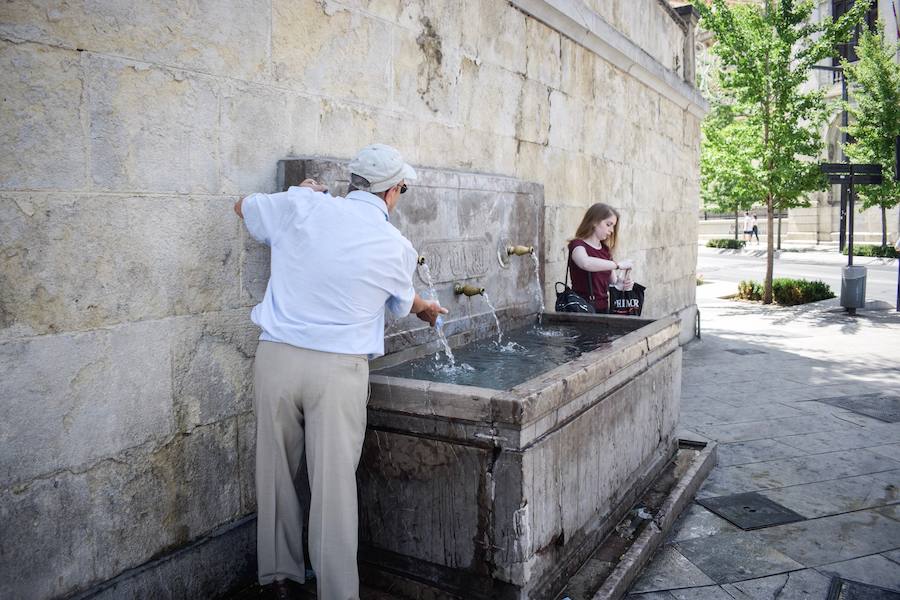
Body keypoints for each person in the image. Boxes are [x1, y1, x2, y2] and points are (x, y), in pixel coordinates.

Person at [233, 143, 447, 600]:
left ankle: (278, 580)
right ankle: (336, 592)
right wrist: (426, 308)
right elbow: (400, 302)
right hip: (337, 371)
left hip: (277, 358)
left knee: (274, 473)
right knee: (333, 489)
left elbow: (242, 207)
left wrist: (301, 192)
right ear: (394, 191)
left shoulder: (302, 205)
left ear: (353, 183)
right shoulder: (395, 246)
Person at [568, 203, 633, 313]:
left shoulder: (605, 250)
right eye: (608, 224)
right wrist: (618, 265)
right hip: (581, 310)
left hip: (603, 310)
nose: (612, 230)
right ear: (594, 221)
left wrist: (622, 284)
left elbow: (613, 283)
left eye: (613, 226)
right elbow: (585, 263)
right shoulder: (578, 245)